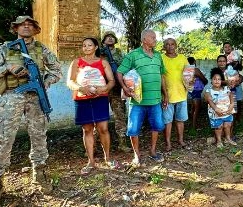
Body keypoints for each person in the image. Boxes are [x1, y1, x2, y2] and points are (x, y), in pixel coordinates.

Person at [0, 15, 63, 207]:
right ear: (15, 28)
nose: (26, 27)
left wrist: (44, 82)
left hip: (35, 97)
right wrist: (8, 68)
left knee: (39, 135)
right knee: (4, 138)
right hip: (11, 97)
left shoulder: (42, 49)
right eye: (22, 24)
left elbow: (57, 70)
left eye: (30, 24)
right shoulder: (5, 49)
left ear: (35, 29)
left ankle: (40, 172)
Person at [117, 29, 168, 165]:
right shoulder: (133, 55)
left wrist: (165, 94)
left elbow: (162, 76)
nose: (155, 40)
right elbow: (120, 72)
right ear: (144, 39)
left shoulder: (158, 56)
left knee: (156, 126)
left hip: (155, 100)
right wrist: (125, 87)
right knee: (133, 129)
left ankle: (153, 151)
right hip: (137, 101)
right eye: (153, 37)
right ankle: (136, 155)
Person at [66, 37, 116, 173]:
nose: (87, 47)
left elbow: (111, 81)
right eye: (84, 45)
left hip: (100, 98)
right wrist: (81, 88)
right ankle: (91, 162)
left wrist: (105, 88)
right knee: (87, 129)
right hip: (82, 99)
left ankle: (108, 158)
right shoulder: (76, 62)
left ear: (96, 47)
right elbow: (70, 82)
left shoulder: (103, 62)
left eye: (89, 45)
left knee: (103, 128)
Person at [161, 37, 190, 151]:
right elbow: (161, 76)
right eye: (167, 44)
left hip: (182, 94)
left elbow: (188, 74)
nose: (170, 46)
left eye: (172, 44)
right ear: (164, 47)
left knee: (180, 120)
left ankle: (180, 140)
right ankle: (168, 143)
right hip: (167, 95)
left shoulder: (182, 58)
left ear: (176, 46)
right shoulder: (161, 58)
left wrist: (190, 83)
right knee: (167, 121)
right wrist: (164, 94)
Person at [100, 32, 127, 153]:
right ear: (103, 40)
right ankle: (95, 146)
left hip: (116, 89)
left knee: (120, 116)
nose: (110, 38)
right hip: (102, 88)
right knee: (99, 117)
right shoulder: (98, 52)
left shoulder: (120, 53)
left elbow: (125, 66)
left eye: (112, 37)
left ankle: (122, 143)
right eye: (107, 37)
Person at [203, 68, 236, 148]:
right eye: (214, 79)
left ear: (222, 81)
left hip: (227, 112)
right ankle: (219, 141)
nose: (217, 81)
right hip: (216, 113)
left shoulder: (226, 89)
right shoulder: (209, 91)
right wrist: (216, 109)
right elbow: (209, 101)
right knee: (218, 127)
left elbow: (232, 98)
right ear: (211, 80)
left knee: (227, 125)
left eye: (219, 79)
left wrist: (231, 106)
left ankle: (228, 138)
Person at [187, 56, 208, 131]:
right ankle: (194, 126)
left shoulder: (186, 70)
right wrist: (205, 82)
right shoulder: (195, 70)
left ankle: (191, 123)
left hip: (191, 90)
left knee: (193, 107)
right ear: (194, 62)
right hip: (196, 90)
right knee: (197, 108)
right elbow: (204, 79)